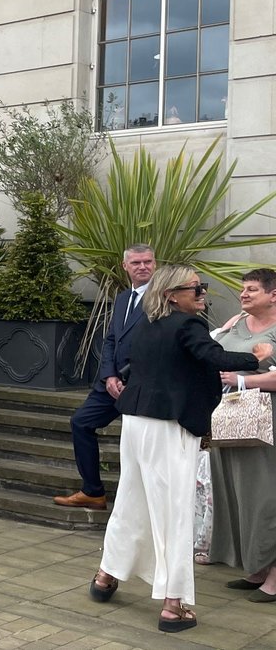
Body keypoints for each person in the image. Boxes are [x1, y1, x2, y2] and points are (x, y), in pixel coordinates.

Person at [87, 265, 268, 634]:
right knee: (174, 510)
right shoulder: (188, 325)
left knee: (132, 499)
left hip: (136, 421)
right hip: (168, 425)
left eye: (203, 287)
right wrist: (258, 355)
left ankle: (106, 576)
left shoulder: (148, 323)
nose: (203, 294)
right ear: (171, 295)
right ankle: (173, 605)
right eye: (195, 289)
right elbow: (215, 358)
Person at [54, 245, 157, 510]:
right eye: (136, 263)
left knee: (141, 442)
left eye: (147, 262)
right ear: (125, 266)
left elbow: (158, 345)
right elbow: (111, 340)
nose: (143, 267)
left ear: (155, 264)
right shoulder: (122, 298)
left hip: (142, 385)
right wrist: (109, 375)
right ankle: (92, 492)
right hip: (111, 384)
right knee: (81, 423)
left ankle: (144, 502)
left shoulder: (161, 298)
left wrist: (128, 377)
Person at [207, 268, 276, 601]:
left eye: (252, 289)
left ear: (273, 295)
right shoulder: (235, 322)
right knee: (237, 493)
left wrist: (243, 380)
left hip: (267, 421)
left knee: (266, 496)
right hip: (231, 418)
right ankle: (258, 567)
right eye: (242, 289)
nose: (243, 294)